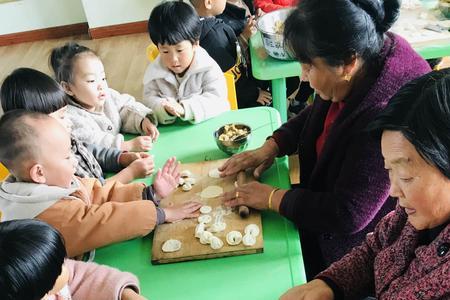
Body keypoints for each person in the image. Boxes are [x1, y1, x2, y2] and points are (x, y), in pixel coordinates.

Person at [220, 0, 431, 279]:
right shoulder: (361, 50)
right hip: (321, 208)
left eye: (308, 66)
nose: (303, 76)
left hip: (351, 250)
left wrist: (272, 198)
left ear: (347, 63)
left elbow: (348, 214)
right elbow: (319, 111)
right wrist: (274, 144)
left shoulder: (386, 113)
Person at [280, 68, 450, 300]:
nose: (393, 190)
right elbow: (375, 248)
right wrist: (329, 284)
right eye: (389, 170)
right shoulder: (414, 212)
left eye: (407, 177)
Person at [0, 111, 201, 257]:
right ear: (39, 173)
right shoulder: (46, 214)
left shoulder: (45, 184)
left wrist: (151, 193)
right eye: (67, 156)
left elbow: (96, 195)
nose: (75, 160)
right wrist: (162, 214)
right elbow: (103, 221)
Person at [0, 67, 154, 185]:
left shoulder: (63, 138)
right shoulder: (52, 168)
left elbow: (91, 151)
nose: (69, 121)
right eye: (61, 116)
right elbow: (92, 198)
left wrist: (122, 158)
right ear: (37, 127)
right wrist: (131, 173)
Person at [50, 42, 159, 151]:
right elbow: (91, 141)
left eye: (103, 78)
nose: (101, 86)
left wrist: (142, 121)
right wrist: (125, 146)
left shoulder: (106, 95)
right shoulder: (69, 116)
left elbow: (125, 107)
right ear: (68, 88)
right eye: (91, 80)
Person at [0, 219, 146, 300]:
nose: (66, 265)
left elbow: (79, 275)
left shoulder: (40, 276)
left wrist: (124, 293)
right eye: (61, 265)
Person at [143, 1, 229, 125]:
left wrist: (185, 109)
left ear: (195, 44)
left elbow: (217, 101)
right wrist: (163, 109)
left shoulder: (208, 67)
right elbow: (148, 100)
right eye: (165, 51)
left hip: (208, 128)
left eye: (179, 50)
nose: (174, 59)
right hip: (173, 134)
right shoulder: (154, 73)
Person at [190, 0, 272, 108]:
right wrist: (254, 94)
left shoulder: (205, 25)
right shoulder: (213, 38)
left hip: (241, 85)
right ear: (208, 3)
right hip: (237, 98)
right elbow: (231, 77)